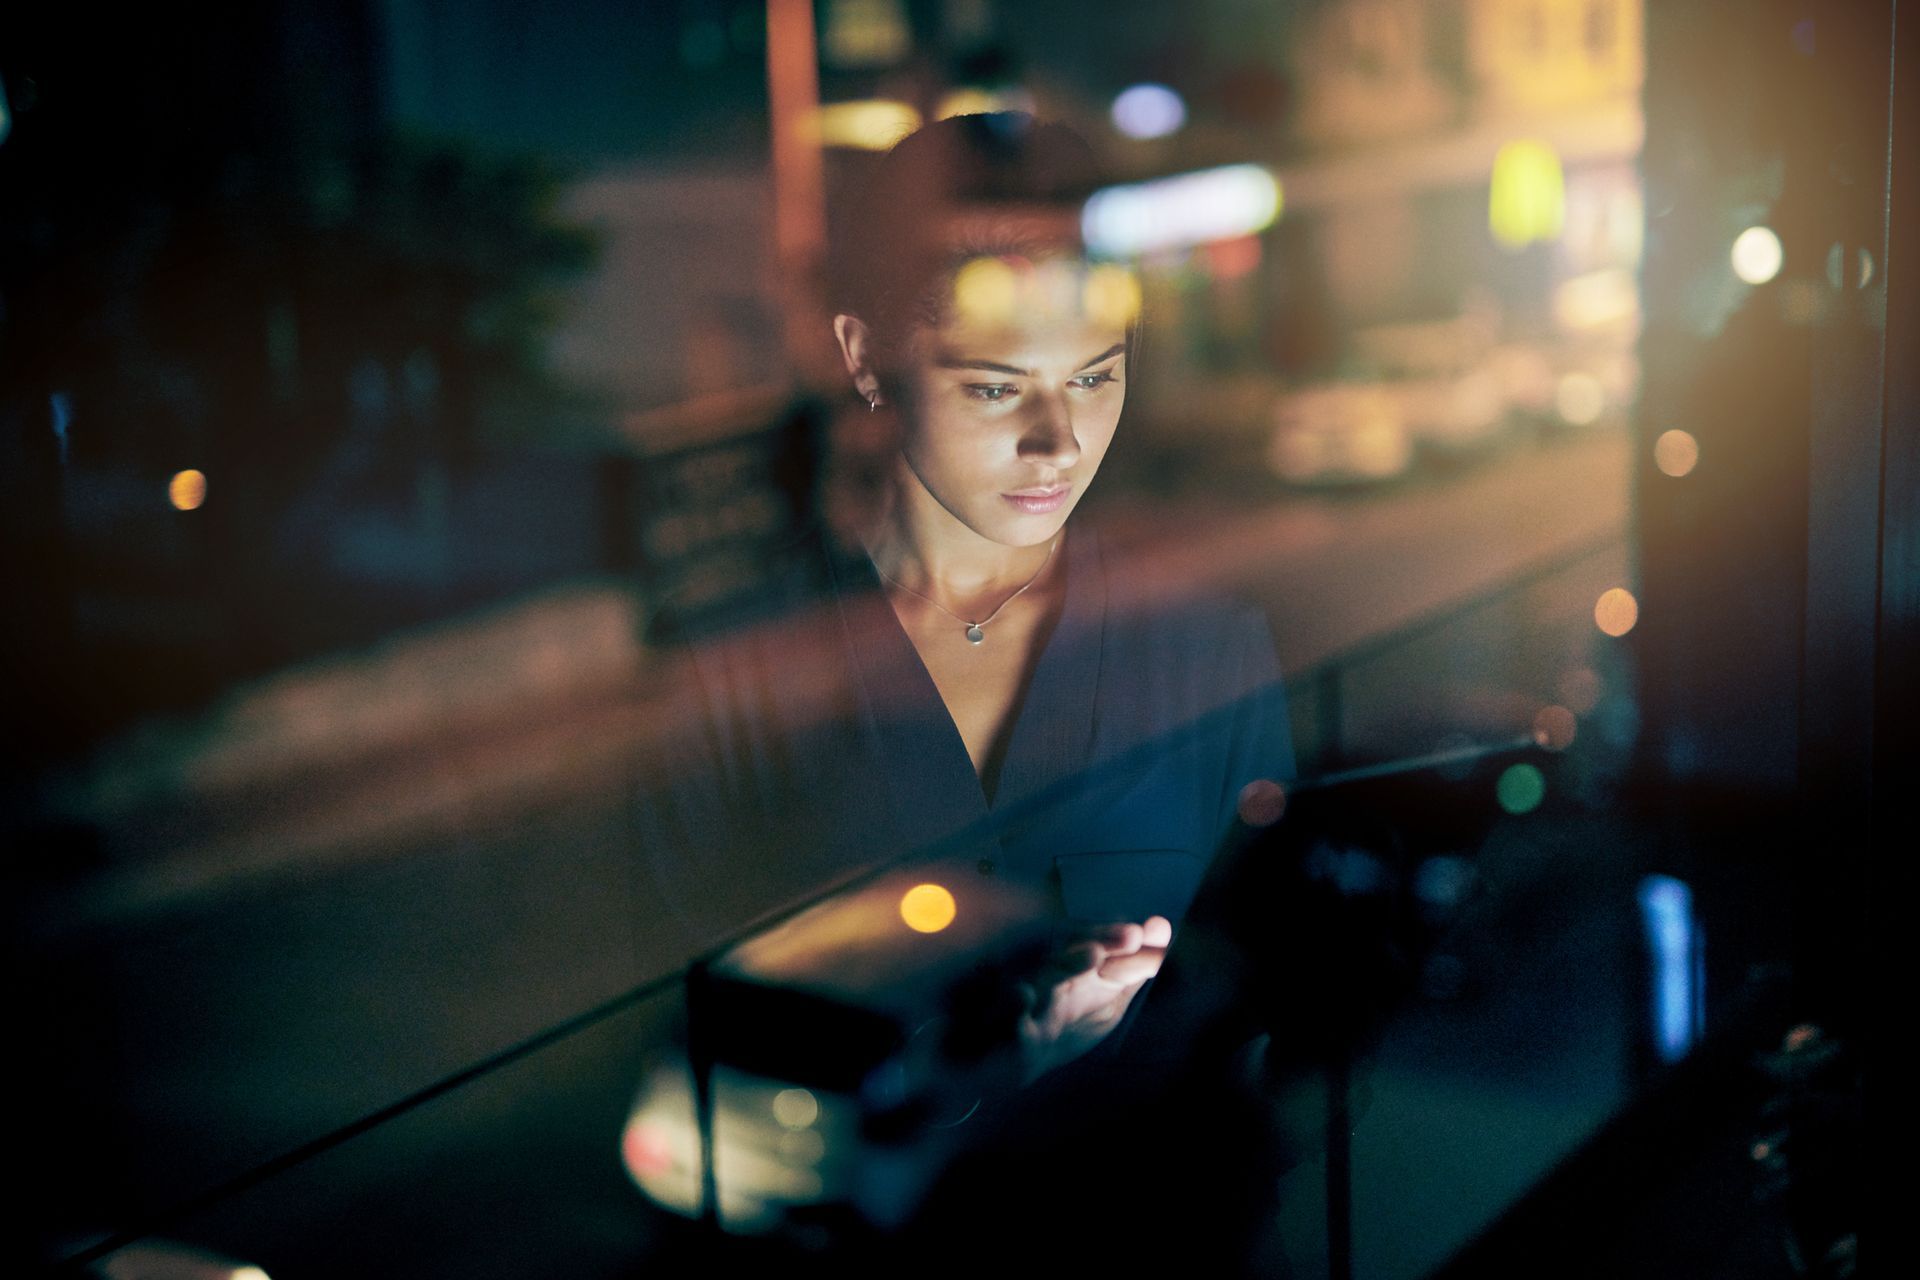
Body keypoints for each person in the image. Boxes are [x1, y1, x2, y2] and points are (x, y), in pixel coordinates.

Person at [632, 112, 1293, 1082]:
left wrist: (1135, 1013)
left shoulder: (1209, 650)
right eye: (993, 387)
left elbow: (1267, 958)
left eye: (1094, 376)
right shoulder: (752, 682)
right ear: (868, 362)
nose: (1057, 440)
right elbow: (712, 982)